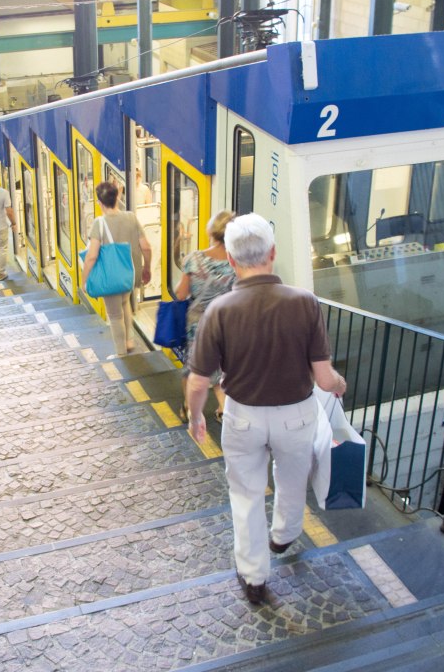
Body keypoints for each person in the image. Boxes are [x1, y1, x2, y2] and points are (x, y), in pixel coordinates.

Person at [186, 213, 347, 606]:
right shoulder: (304, 302)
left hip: (243, 417)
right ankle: (284, 535)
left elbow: (198, 380)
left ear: (234, 261)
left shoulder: (220, 310)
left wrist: (195, 418)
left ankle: (255, 578)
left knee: (246, 495)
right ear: (272, 254)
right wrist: (339, 385)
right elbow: (325, 380)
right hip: (296, 415)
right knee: (292, 480)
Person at [174, 210, 236, 420]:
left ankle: (189, 408)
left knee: (193, 365)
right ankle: (224, 409)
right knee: (221, 366)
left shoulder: (194, 259)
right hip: (225, 322)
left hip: (197, 322)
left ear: (211, 231)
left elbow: (181, 294)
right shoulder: (236, 263)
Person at [82, 180, 153, 357]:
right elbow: (146, 247)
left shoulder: (99, 223)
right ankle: (128, 340)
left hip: (111, 276)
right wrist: (147, 268)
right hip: (129, 274)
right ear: (117, 197)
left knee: (115, 316)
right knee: (125, 303)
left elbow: (92, 256)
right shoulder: (131, 217)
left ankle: (121, 354)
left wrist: (84, 279)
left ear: (99, 203)